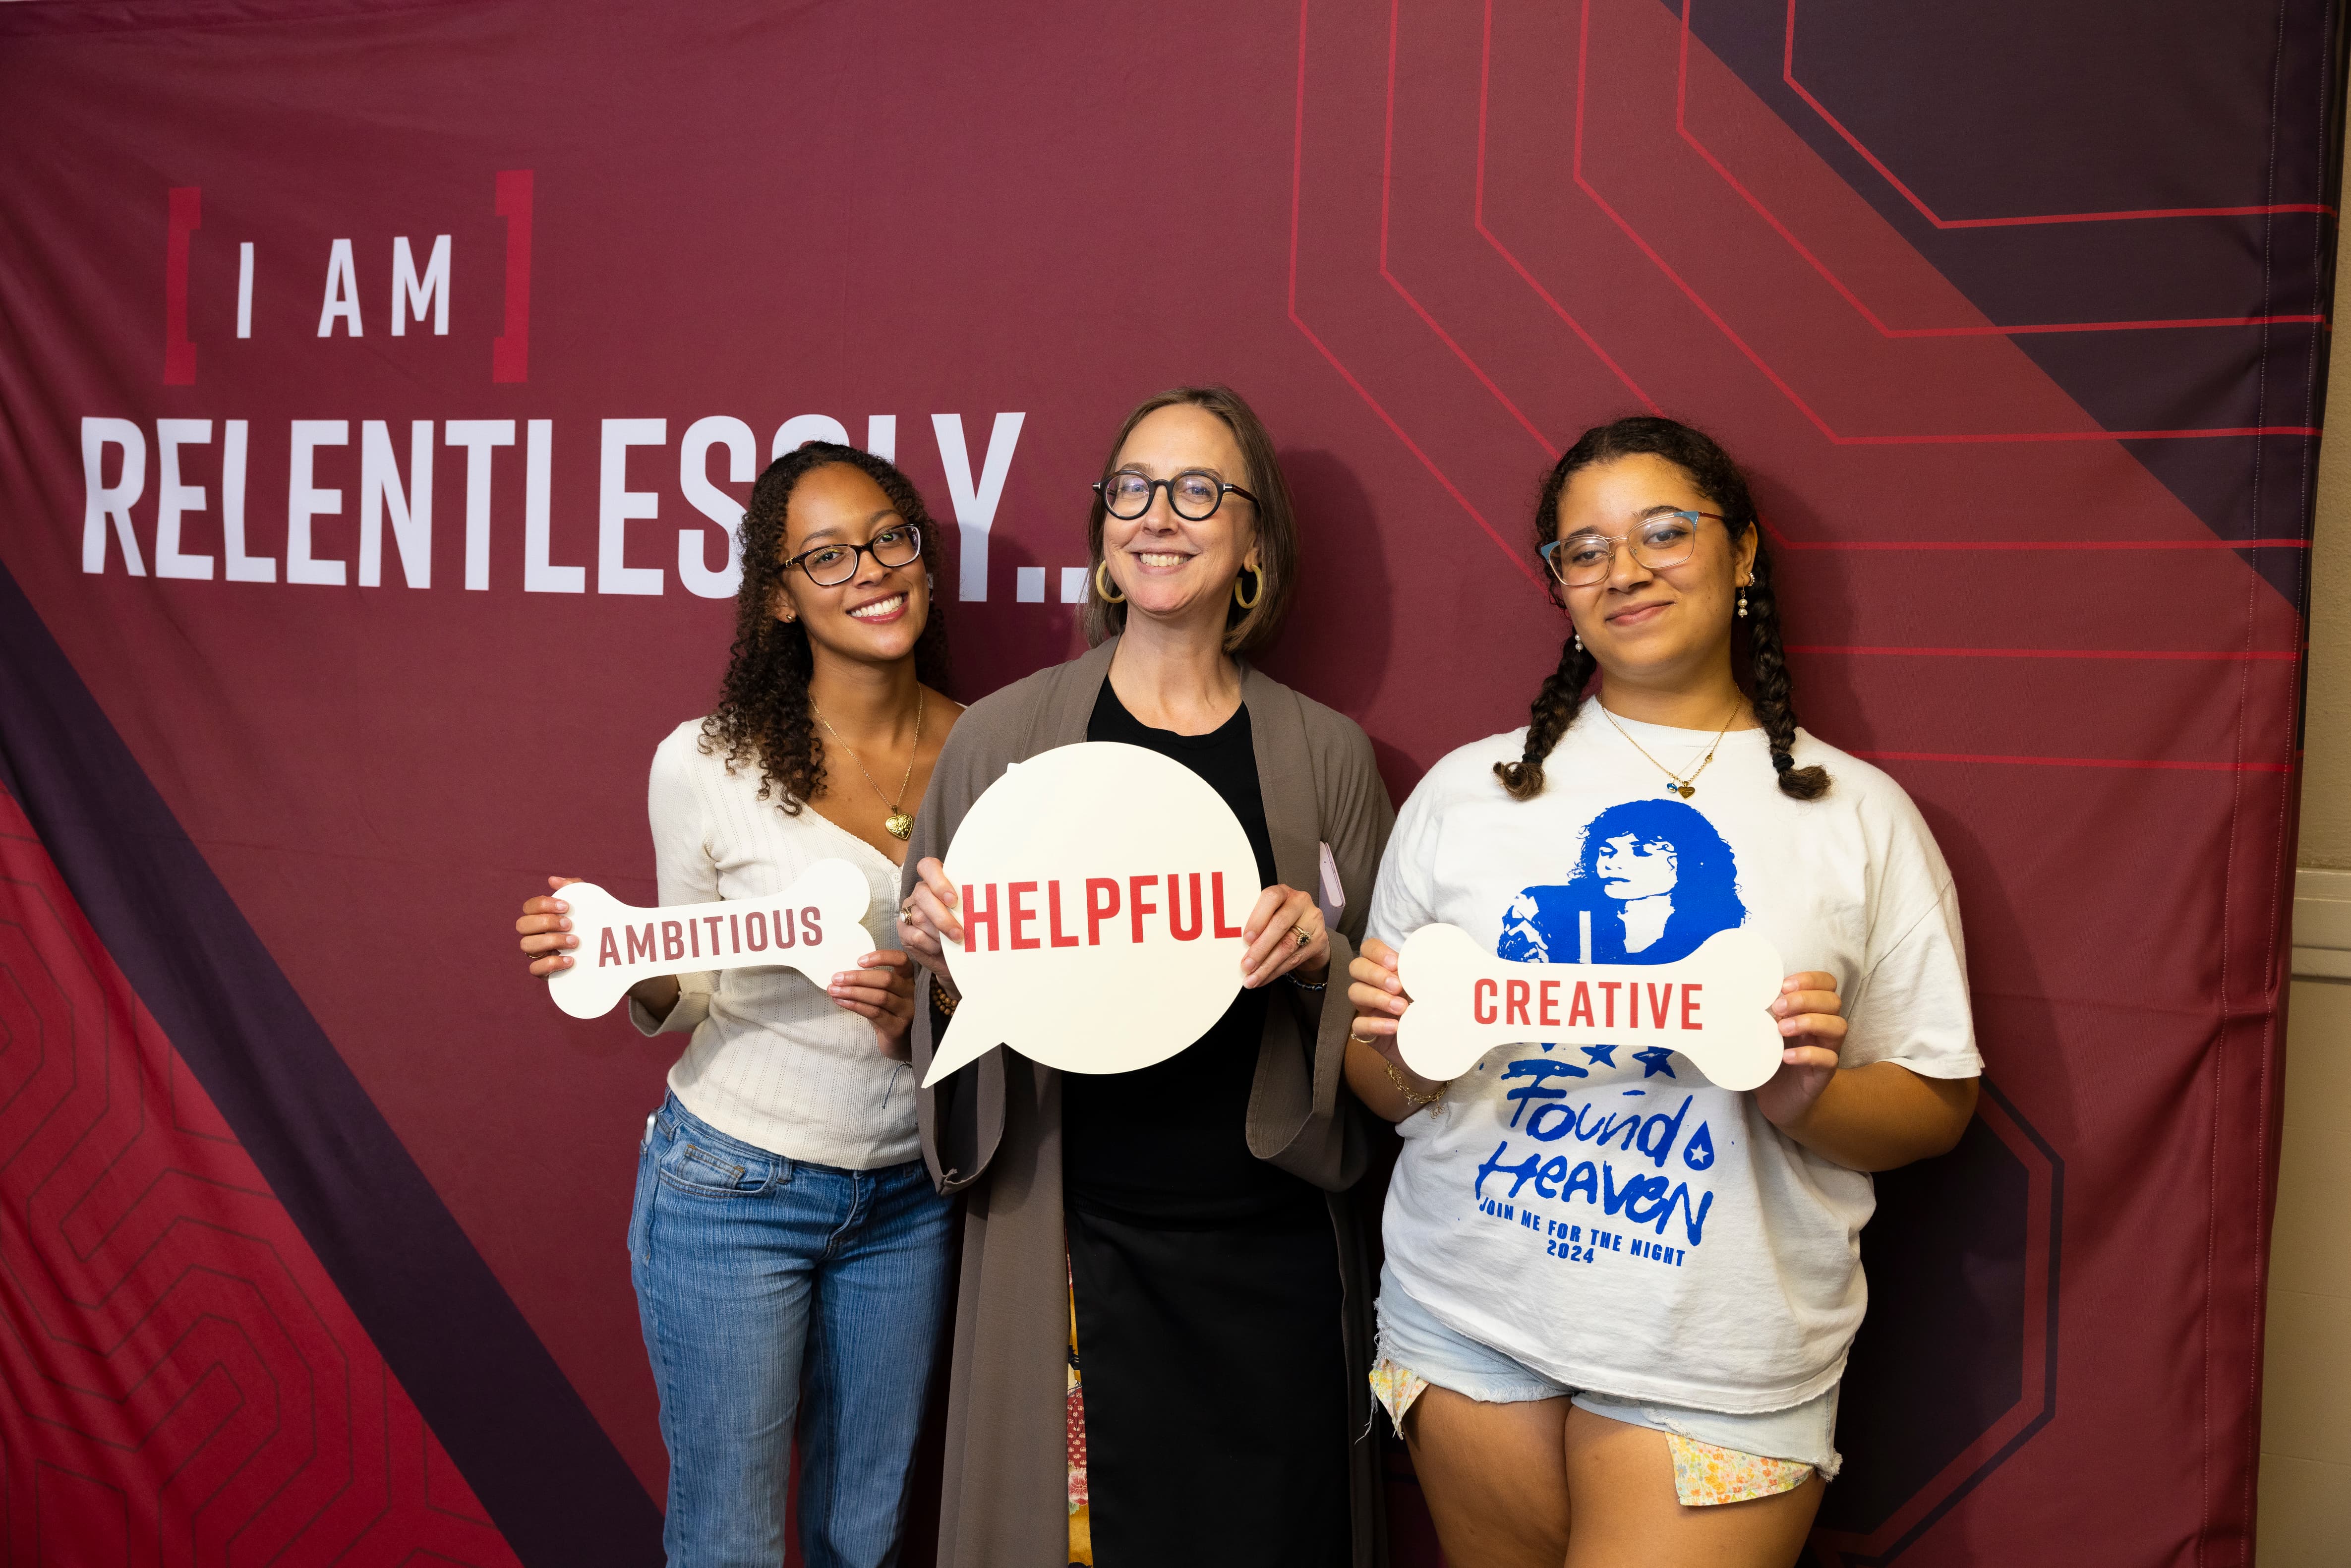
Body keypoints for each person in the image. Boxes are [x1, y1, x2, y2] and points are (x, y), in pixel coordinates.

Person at [1345, 415, 1982, 1568]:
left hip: (1719, 1355)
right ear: (1559, 587)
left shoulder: (1856, 816)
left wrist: (1809, 1101)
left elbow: (1938, 1102)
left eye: (1664, 532)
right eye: (1584, 551)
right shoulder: (1465, 793)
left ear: (1742, 553)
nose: (1624, 570)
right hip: (1463, 1314)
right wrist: (1404, 1054)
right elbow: (1386, 1086)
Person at [895, 386, 1394, 1568]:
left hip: (1271, 1258)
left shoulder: (1326, 754)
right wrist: (946, 966)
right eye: (1132, 488)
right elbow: (946, 1016)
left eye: (1198, 491)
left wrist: (1318, 966)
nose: (1157, 516)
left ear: (1254, 542)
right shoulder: (1001, 740)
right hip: (1074, 1244)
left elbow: (1390, 1029)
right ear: (1102, 529)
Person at [515, 441, 963, 1568]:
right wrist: (614, 956)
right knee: (729, 1542)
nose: (870, 571)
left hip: (911, 1193)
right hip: (731, 1191)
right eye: (827, 556)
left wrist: (927, 1006)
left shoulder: (993, 753)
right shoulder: (705, 765)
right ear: (778, 597)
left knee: (864, 1539)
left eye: (889, 539)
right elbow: (691, 990)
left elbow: (1027, 991)